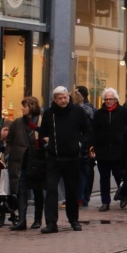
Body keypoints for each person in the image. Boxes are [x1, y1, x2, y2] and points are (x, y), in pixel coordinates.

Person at [39, 86, 91, 234]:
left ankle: (74, 220)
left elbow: (88, 130)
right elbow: (43, 132)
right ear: (55, 99)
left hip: (72, 158)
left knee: (72, 190)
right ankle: (51, 222)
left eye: (65, 97)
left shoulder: (78, 111)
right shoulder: (49, 113)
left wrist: (80, 144)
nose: (63, 100)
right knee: (51, 190)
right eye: (60, 98)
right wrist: (46, 143)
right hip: (53, 158)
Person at [5, 97, 46, 230]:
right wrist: (7, 155)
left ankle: (37, 219)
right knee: (21, 190)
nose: (22, 108)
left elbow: (47, 138)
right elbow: (10, 141)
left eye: (25, 106)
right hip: (20, 161)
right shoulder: (17, 123)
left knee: (37, 190)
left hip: (37, 160)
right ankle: (22, 221)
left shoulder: (41, 122)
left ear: (32, 107)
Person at [91, 88, 127, 211]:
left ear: (116, 100)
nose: (108, 101)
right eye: (106, 99)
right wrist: (93, 146)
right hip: (102, 150)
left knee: (119, 175)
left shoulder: (123, 112)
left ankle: (123, 194)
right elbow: (94, 131)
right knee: (104, 178)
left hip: (119, 150)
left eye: (110, 99)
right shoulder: (99, 113)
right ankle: (105, 202)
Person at [71, 91, 93, 208]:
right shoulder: (88, 110)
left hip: (80, 147)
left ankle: (79, 198)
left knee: (80, 174)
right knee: (84, 174)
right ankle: (84, 198)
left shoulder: (76, 113)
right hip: (86, 146)